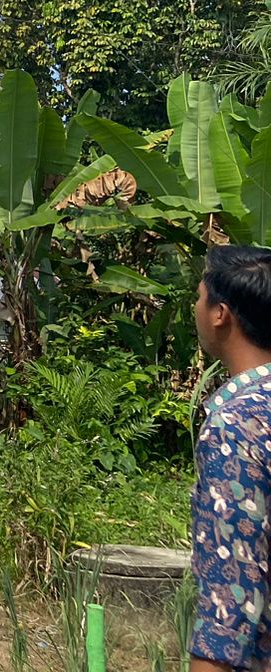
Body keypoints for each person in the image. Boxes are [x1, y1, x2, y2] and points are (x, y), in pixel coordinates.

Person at [190, 245, 271, 672]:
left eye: (200, 297)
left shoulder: (237, 424)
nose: (195, 308)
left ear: (221, 313)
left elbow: (231, 592)